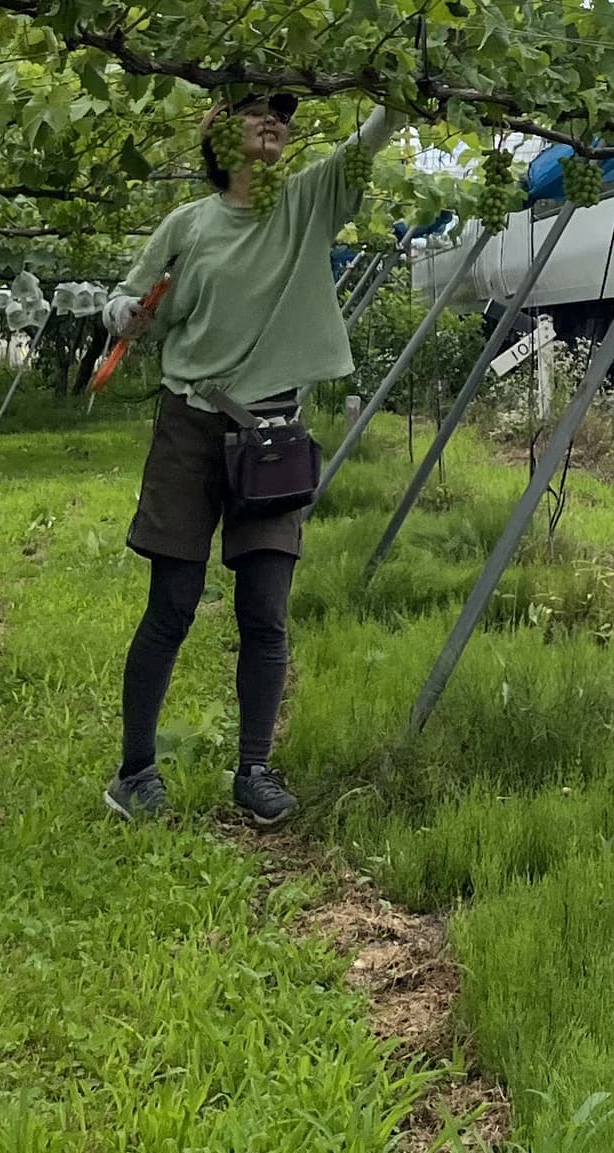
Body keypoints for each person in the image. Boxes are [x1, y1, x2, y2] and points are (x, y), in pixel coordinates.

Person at [100, 90, 395, 826]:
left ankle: (254, 770)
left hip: (272, 431)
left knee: (265, 610)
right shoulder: (189, 224)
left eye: (282, 113)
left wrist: (404, 92)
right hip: (191, 423)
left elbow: (369, 140)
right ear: (217, 134)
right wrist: (124, 314)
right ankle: (135, 769)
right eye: (253, 109)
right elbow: (131, 301)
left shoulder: (305, 204)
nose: (274, 120)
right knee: (172, 602)